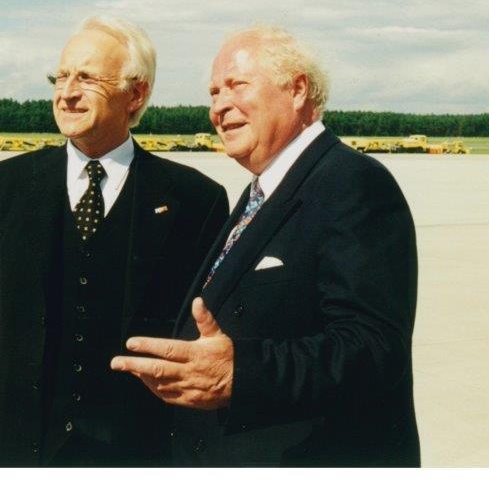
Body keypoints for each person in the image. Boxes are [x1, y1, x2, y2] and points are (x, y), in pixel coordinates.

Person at [111, 26, 420, 467]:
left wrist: (242, 373)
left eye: (237, 85)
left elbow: (373, 350)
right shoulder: (264, 190)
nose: (219, 107)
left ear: (297, 90)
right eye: (213, 93)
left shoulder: (353, 184)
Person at [0, 16, 230, 467]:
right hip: (18, 446)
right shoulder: (6, 185)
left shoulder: (196, 200)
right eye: (61, 76)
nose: (66, 92)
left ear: (136, 94)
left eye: (87, 78)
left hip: (137, 450)